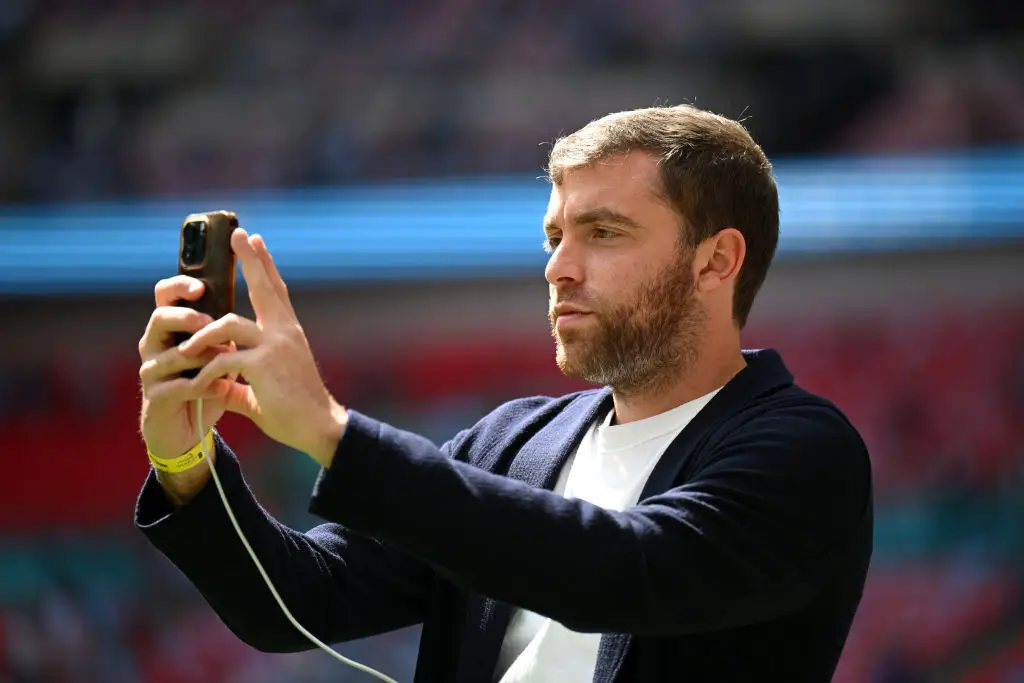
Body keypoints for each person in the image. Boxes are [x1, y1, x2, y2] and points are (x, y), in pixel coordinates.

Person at [135, 104, 873, 683]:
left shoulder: (805, 451)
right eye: (554, 235)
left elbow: (619, 573)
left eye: (603, 232)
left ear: (717, 261)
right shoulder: (511, 442)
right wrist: (185, 460)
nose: (558, 267)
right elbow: (296, 600)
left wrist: (331, 430)